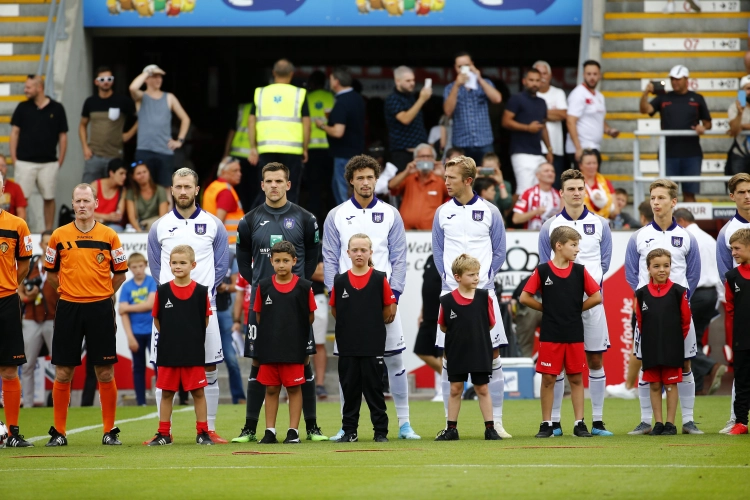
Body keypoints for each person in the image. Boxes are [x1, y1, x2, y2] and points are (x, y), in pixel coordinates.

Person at [323, 155, 420, 441]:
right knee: (348, 366)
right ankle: (346, 426)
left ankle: (404, 424)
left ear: (376, 180)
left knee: (394, 361)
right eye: (360, 177)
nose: (365, 182)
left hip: (383, 298)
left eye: (370, 177)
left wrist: (394, 296)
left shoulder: (391, 213)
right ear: (351, 180)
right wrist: (334, 296)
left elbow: (400, 257)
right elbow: (329, 258)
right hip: (349, 300)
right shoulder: (336, 215)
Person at [233, 162, 327, 443]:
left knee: (303, 361)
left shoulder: (305, 218)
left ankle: (311, 427)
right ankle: (250, 428)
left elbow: (311, 257)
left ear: (288, 184)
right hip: (263, 303)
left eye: (279, 181)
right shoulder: (248, 220)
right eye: (268, 181)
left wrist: (298, 286)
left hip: (295, 306)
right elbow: (242, 259)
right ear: (262, 185)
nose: (273, 185)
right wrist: (261, 284)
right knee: (258, 362)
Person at [148, 168, 229, 444]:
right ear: (172, 190)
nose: (183, 191)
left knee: (209, 370)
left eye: (188, 187)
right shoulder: (158, 226)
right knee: (164, 371)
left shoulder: (214, 224)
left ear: (197, 190)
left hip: (204, 311)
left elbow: (221, 266)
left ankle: (209, 429)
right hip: (169, 313)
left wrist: (200, 296)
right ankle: (163, 432)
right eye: (178, 186)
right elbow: (156, 265)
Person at [44, 183, 128, 447]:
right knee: (63, 372)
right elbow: (51, 273)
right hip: (69, 307)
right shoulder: (58, 235)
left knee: (104, 371)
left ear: (96, 204)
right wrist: (69, 292)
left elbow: (121, 273)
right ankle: (59, 432)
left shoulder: (109, 235)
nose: (82, 205)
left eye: (86, 201)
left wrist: (102, 294)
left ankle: (109, 430)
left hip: (100, 308)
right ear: (73, 203)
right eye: (77, 201)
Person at [432, 155, 510, 438]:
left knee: (493, 353)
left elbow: (500, 250)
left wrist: (485, 278)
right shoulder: (441, 212)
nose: (446, 182)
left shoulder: (491, 211)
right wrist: (447, 280)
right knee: (447, 356)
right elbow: (438, 251)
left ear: (467, 180)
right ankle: (448, 423)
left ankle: (496, 422)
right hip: (450, 295)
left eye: (451, 178)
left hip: (483, 293)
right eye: (445, 177)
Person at [539, 168, 614, 436]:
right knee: (558, 365)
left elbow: (603, 263)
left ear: (585, 190)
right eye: (570, 188)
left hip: (590, 305)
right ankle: (556, 422)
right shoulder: (549, 226)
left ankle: (598, 421)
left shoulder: (601, 224)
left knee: (594, 359)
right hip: (560, 310)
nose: (576, 193)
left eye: (580, 188)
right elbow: (544, 265)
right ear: (561, 192)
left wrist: (585, 296)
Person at [625, 178, 703, 435]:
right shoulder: (638, 236)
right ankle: (647, 420)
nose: (656, 203)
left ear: (673, 202)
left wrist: (676, 303)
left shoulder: (686, 237)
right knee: (646, 363)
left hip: (678, 313)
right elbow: (630, 275)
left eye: (661, 198)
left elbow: (692, 276)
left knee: (685, 363)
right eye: (653, 198)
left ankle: (688, 420)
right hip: (648, 315)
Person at [522, 226, 602, 438]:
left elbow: (597, 296)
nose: (577, 250)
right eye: (573, 245)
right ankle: (546, 424)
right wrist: (545, 309)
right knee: (548, 379)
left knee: (576, 379)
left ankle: (579, 424)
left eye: (577, 245)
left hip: (574, 333)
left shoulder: (579, 270)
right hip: (550, 334)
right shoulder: (542, 271)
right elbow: (524, 297)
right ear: (559, 246)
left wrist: (576, 309)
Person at [330, 233, 396, 443]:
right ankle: (349, 432)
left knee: (375, 390)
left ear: (370, 252)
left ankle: (380, 432)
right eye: (355, 250)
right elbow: (335, 310)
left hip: (372, 345)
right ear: (348, 253)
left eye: (363, 250)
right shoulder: (340, 281)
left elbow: (388, 310)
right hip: (348, 346)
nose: (359, 254)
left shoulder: (379, 278)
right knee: (350, 391)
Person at [146, 244, 214, 446]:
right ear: (169, 264)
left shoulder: (202, 292)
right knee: (167, 393)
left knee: (198, 393)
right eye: (174, 262)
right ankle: (164, 434)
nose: (178, 266)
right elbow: (158, 321)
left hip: (193, 353)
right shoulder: (163, 291)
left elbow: (205, 320)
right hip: (168, 352)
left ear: (193, 265)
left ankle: (203, 432)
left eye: (182, 262)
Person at [253, 241, 316, 444]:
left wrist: (301, 344)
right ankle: (269, 430)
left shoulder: (304, 286)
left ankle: (293, 431)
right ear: (271, 261)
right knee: (271, 389)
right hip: (270, 348)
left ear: (294, 261)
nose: (281, 264)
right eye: (277, 260)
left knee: (294, 389)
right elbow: (259, 316)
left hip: (294, 349)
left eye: (286, 260)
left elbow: (310, 317)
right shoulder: (263, 286)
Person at [435, 254, 501, 441]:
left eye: (477, 274)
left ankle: (490, 428)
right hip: (456, 352)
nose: (476, 278)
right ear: (458, 277)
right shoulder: (446, 301)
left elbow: (489, 323)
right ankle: (451, 429)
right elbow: (443, 326)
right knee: (455, 389)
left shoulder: (484, 297)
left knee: (482, 388)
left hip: (480, 350)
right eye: (471, 274)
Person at [635, 248, 692, 436]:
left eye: (666, 266)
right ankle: (658, 423)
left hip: (672, 346)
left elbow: (685, 321)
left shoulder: (678, 291)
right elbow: (640, 322)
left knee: (671, 384)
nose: (662, 270)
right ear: (648, 269)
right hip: (650, 347)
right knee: (654, 385)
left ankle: (670, 423)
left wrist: (674, 340)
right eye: (656, 266)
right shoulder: (641, 294)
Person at [674, 208, 727, 395]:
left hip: (694, 294)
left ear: (681, 220)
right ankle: (697, 388)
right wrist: (720, 298)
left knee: (682, 341)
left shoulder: (685, 238)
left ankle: (711, 366)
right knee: (694, 340)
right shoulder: (710, 240)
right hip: (711, 293)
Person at [640, 65, 712, 203]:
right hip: (668, 153)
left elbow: (708, 122)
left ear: (686, 79)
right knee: (667, 195)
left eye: (678, 79)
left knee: (689, 194)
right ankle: (668, 224)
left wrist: (702, 127)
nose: (675, 82)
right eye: (672, 79)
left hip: (692, 153)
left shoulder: (697, 98)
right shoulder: (663, 97)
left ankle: (689, 224)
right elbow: (645, 109)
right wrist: (645, 93)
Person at [248, 59, 311, 205]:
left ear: (274, 73)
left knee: (266, 188)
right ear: (291, 74)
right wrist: (305, 148)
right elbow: (307, 123)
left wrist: (253, 147)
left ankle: (257, 224)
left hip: (266, 148)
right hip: (293, 150)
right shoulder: (299, 93)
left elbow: (251, 121)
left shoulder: (261, 93)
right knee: (290, 189)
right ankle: (289, 225)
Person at [10, 75, 68, 231]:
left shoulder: (57, 108)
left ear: (39, 87)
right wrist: (15, 159)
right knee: (21, 199)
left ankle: (48, 231)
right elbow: (14, 133)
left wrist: (59, 161)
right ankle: (20, 231)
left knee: (49, 197)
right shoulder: (22, 107)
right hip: (24, 162)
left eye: (28, 87)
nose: (25, 90)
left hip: (49, 162)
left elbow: (63, 136)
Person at [716, 172, 750, 433]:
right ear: (732, 196)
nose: (747, 196)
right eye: (741, 192)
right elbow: (726, 272)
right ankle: (735, 418)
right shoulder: (727, 232)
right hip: (742, 310)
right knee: (742, 367)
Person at [0, 178, 33, 447]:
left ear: (3, 190)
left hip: (6, 301)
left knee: (9, 368)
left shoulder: (17, 225)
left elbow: (23, 264)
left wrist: (9, 285)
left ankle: (12, 433)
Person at [129, 64, 191, 189]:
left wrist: (180, 140)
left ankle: (167, 210)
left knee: (166, 188)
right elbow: (133, 87)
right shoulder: (141, 97)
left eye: (160, 77)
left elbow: (185, 119)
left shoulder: (169, 97)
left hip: (164, 151)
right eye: (155, 76)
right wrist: (148, 72)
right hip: (144, 150)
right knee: (144, 188)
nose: (158, 79)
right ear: (146, 79)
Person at [18, 229, 58, 409]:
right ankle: (27, 405)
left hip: (53, 318)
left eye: (52, 243)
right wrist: (27, 297)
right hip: (31, 318)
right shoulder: (32, 263)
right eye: (45, 242)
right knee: (27, 364)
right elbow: (16, 285)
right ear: (41, 245)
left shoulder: (61, 265)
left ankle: (61, 404)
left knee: (60, 365)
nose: (48, 246)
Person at [316, 67, 366, 205]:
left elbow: (338, 132)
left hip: (343, 155)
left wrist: (321, 125)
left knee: (343, 193)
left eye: (331, 79)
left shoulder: (342, 102)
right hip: (356, 152)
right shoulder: (357, 98)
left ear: (336, 82)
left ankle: (347, 224)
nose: (330, 83)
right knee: (351, 192)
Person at [79, 66, 137, 183]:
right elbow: (82, 125)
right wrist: (85, 147)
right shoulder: (90, 102)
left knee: (115, 192)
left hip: (115, 156)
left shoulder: (123, 101)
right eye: (102, 79)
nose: (106, 82)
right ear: (96, 82)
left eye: (109, 79)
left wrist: (126, 136)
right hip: (94, 156)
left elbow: (139, 118)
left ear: (113, 81)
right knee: (88, 191)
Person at [443, 52, 503, 163]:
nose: (463, 69)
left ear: (472, 64)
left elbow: (497, 99)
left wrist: (479, 78)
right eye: (459, 66)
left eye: (466, 65)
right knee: (462, 176)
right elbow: (448, 111)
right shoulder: (450, 88)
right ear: (455, 68)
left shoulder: (485, 83)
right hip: (461, 143)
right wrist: (457, 85)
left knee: (487, 175)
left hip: (484, 141)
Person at [502, 68, 553, 195]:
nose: (534, 83)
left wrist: (549, 149)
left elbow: (543, 127)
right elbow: (505, 121)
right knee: (524, 191)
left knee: (540, 190)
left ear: (541, 82)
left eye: (537, 80)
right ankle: (510, 215)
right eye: (531, 80)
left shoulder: (542, 102)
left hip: (538, 152)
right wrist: (527, 128)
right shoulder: (516, 99)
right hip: (520, 152)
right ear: (524, 81)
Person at [118, 252, 157, 407]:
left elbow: (150, 304)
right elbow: (122, 313)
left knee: (158, 366)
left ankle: (162, 397)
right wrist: (129, 336)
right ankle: (141, 402)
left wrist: (128, 307)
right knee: (138, 368)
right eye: (134, 267)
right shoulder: (127, 287)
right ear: (129, 268)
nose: (138, 270)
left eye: (141, 266)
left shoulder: (152, 282)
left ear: (145, 265)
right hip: (136, 333)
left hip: (153, 332)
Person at [565, 60, 619, 168]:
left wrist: (608, 130)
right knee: (582, 183)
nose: (592, 77)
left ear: (600, 75)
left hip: (594, 147)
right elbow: (570, 121)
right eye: (589, 74)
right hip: (582, 147)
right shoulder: (578, 94)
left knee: (592, 182)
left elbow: (598, 119)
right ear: (583, 75)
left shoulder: (599, 96)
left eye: (595, 74)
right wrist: (578, 148)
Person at [724, 228, 750, 435]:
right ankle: (741, 422)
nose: (733, 252)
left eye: (737, 248)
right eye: (732, 248)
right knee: (742, 380)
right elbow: (730, 308)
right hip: (742, 338)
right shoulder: (731, 276)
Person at [388, 143, 448, 230]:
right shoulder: (408, 176)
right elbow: (391, 186)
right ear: (415, 159)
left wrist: (444, 175)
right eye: (422, 156)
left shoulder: (440, 180)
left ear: (434, 159)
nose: (425, 159)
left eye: (429, 156)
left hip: (430, 233)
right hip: (406, 231)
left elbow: (458, 193)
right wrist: (406, 171)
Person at [385, 66, 431, 171]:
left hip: (419, 152)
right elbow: (405, 119)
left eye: (413, 80)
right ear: (398, 81)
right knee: (403, 184)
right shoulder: (392, 99)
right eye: (408, 80)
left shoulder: (411, 97)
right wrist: (422, 99)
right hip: (402, 153)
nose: (412, 83)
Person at [304, 71, 335, 221]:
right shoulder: (332, 97)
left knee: (314, 189)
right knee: (330, 188)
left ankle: (315, 227)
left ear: (312, 84)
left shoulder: (306, 98)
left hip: (311, 150)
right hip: (330, 149)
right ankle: (332, 224)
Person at [413, 254, 443, 401]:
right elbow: (427, 286)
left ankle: (448, 388)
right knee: (421, 350)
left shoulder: (450, 257)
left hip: (443, 314)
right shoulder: (431, 258)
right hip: (428, 314)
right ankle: (450, 379)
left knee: (444, 353)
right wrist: (421, 311)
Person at [533, 61, 568, 188]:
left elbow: (563, 115)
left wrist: (539, 113)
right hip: (534, 149)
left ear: (550, 75)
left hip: (555, 149)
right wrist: (552, 114)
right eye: (538, 73)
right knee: (535, 186)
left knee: (555, 186)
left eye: (544, 73)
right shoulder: (531, 95)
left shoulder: (558, 93)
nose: (542, 76)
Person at [202, 157, 244, 245]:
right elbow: (219, 221)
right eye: (235, 171)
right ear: (224, 172)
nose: (239, 174)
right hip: (230, 243)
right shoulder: (225, 191)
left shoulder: (213, 187)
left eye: (239, 171)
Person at [224, 101, 256, 211]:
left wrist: (226, 154)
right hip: (254, 156)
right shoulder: (265, 106)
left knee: (239, 190)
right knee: (253, 189)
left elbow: (232, 131)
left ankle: (240, 213)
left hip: (237, 153)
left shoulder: (241, 108)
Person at [512, 163, 562, 230]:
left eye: (552, 171)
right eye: (546, 171)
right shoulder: (528, 193)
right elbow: (516, 219)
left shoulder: (559, 195)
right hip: (532, 236)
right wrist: (535, 212)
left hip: (554, 236)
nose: (550, 173)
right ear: (538, 175)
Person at [126, 161, 169, 232]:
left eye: (144, 172)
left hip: (156, 226)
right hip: (139, 226)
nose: (142, 175)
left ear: (149, 173)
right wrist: (139, 232)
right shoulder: (131, 192)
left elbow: (163, 216)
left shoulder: (160, 190)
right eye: (138, 173)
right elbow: (131, 217)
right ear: (133, 177)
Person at [310, 249, 329, 399]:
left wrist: (301, 270)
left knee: (319, 343)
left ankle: (320, 384)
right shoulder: (288, 241)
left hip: (317, 297)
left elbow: (324, 275)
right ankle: (293, 382)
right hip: (293, 296)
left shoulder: (319, 246)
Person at [92, 158, 127, 232]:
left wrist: (102, 218)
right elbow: (85, 211)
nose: (124, 177)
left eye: (125, 174)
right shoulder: (95, 186)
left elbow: (118, 216)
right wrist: (106, 217)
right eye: (121, 173)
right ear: (111, 173)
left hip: (111, 226)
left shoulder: (122, 191)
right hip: (94, 223)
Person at [727, 75, 750, 176]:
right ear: (741, 91)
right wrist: (740, 113)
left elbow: (738, 128)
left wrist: (744, 126)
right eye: (748, 88)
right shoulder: (734, 107)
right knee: (738, 188)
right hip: (740, 154)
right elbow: (734, 130)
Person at [0, 156, 27, 220]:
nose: (0, 168)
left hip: (9, 227)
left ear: (7, 168)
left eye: (3, 165)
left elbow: (22, 215)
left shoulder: (15, 188)